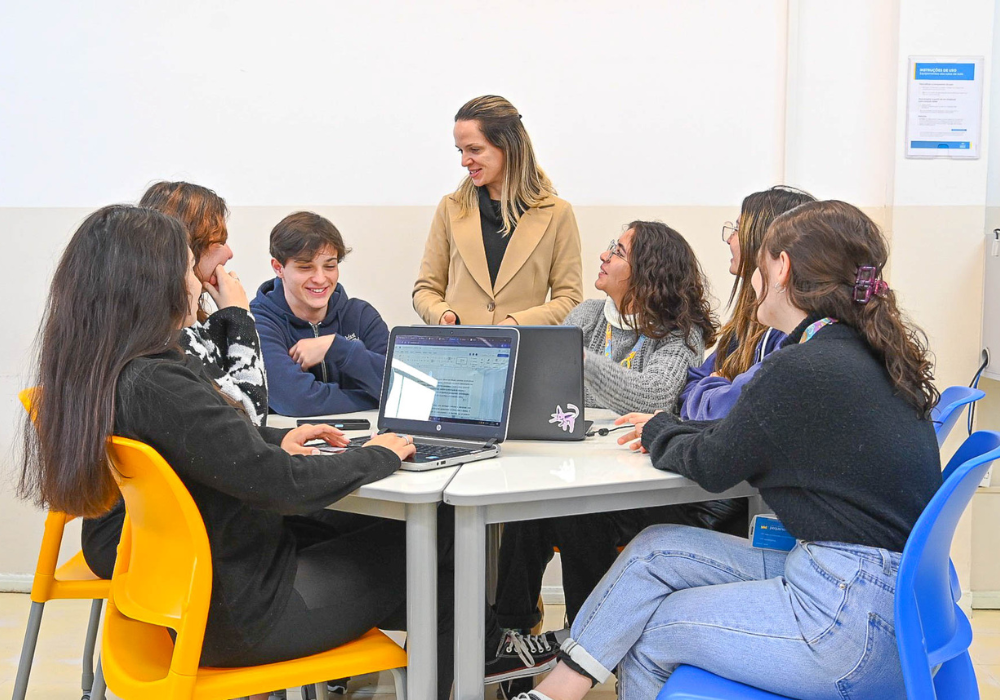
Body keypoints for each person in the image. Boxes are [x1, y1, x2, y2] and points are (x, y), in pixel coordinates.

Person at [19, 205, 546, 700]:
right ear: (149, 285)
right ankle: (482, 656)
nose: (199, 281)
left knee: (417, 541)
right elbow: (281, 486)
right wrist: (381, 453)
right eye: (187, 268)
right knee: (438, 558)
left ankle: (463, 653)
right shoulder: (159, 382)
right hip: (243, 614)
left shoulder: (117, 373)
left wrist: (274, 439)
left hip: (192, 594)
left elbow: (210, 444)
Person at [508, 200, 942, 700]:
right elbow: (731, 437)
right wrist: (672, 427)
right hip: (882, 599)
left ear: (781, 268)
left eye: (761, 263)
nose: (752, 275)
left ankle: (556, 690)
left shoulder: (804, 369)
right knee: (656, 548)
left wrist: (658, 432)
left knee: (650, 630)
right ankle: (555, 692)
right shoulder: (863, 356)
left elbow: (713, 463)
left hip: (844, 619)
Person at [489, 222, 722, 689]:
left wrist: (573, 359)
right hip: (585, 464)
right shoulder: (588, 315)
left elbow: (653, 394)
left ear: (647, 272)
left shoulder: (682, 334)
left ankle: (582, 645)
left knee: (576, 510)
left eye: (617, 251)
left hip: (642, 487)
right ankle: (513, 632)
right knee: (528, 502)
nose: (603, 256)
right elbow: (552, 391)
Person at [80, 181, 268, 585]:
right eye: (218, 242)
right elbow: (249, 423)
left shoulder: (145, 331)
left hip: (134, 527)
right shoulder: (166, 344)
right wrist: (238, 317)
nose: (230, 253)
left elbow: (230, 423)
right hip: (137, 538)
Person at [413, 95, 583, 326]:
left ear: (508, 146)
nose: (464, 161)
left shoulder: (557, 213)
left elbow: (570, 300)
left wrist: (517, 323)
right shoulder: (449, 207)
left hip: (523, 354)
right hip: (459, 352)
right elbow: (425, 289)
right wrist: (441, 314)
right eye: (460, 151)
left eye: (474, 149)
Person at [681, 185, 815, 420]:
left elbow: (742, 407)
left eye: (738, 230)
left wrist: (714, 389)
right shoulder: (744, 324)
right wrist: (717, 391)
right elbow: (691, 386)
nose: (729, 239)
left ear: (762, 241)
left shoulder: (792, 330)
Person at [251, 212, 388, 416]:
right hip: (295, 445)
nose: (320, 278)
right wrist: (374, 397)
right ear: (278, 268)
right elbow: (297, 401)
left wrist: (338, 348)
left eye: (330, 266)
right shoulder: (259, 322)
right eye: (305, 267)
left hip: (367, 441)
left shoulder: (361, 316)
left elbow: (405, 390)